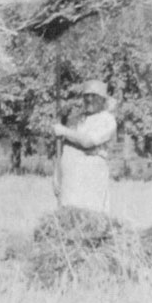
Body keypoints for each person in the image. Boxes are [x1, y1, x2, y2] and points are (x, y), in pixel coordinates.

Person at [52, 79, 117, 213]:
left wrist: (63, 130)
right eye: (86, 96)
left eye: (94, 96)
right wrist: (56, 174)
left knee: (90, 218)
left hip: (91, 177)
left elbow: (88, 142)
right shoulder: (77, 120)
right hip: (71, 180)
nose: (89, 100)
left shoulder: (107, 120)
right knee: (69, 218)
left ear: (102, 100)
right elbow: (64, 149)